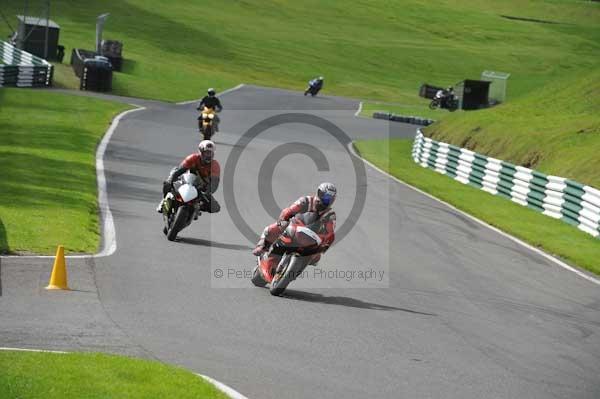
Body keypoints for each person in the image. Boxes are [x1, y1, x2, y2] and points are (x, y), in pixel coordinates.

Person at [253, 182, 337, 282]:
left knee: (317, 257)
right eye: (326, 197)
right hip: (295, 227)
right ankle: (263, 245)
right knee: (276, 227)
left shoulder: (330, 215)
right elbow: (289, 210)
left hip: (311, 238)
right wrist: (284, 219)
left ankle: (294, 269)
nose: (327, 201)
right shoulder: (306, 201)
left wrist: (326, 244)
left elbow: (330, 232)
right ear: (319, 193)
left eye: (330, 199)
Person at [156, 140, 221, 214]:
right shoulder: (193, 158)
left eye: (210, 153)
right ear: (201, 152)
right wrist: (171, 180)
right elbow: (179, 170)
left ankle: (197, 208)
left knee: (216, 208)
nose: (208, 156)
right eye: (206, 153)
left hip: (202, 188)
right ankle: (164, 201)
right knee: (167, 183)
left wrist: (208, 192)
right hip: (187, 181)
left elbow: (215, 183)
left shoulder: (215, 165)